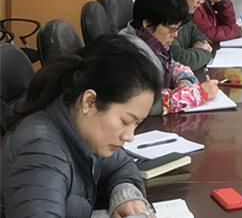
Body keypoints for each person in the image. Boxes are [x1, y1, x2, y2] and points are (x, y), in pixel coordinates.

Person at [1, 35, 162, 218]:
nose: (129, 136)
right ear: (90, 101)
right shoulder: (40, 151)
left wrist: (125, 195)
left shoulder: (82, 128)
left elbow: (121, 165)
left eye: (137, 124)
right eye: (125, 121)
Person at [120, 0, 219, 115]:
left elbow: (176, 67)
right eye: (172, 29)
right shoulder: (131, 54)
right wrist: (198, 94)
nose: (176, 34)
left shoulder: (152, 43)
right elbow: (144, 104)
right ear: (147, 23)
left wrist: (184, 82)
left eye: (177, 28)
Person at [166, 0, 214, 74]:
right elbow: (181, 61)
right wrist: (204, 52)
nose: (202, 1)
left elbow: (204, 40)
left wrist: (200, 49)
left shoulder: (184, 17)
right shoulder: (161, 17)